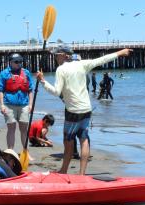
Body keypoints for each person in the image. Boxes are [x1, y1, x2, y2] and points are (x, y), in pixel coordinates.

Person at [37, 45, 132, 175]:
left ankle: (64, 170)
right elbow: (102, 59)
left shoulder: (61, 69)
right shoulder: (82, 64)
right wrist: (120, 52)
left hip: (73, 111)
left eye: (57, 55)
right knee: (84, 139)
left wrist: (43, 81)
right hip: (87, 109)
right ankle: (82, 174)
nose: (55, 57)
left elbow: (56, 92)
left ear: (65, 55)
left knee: (68, 140)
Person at [0, 53, 33, 149]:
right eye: (16, 62)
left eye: (20, 62)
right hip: (9, 105)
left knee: (24, 129)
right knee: (11, 128)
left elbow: (30, 90)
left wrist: (30, 104)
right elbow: (1, 91)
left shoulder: (26, 73)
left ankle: (25, 152)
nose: (19, 64)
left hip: (24, 105)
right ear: (11, 62)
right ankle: (10, 152)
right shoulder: (4, 74)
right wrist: (1, 105)